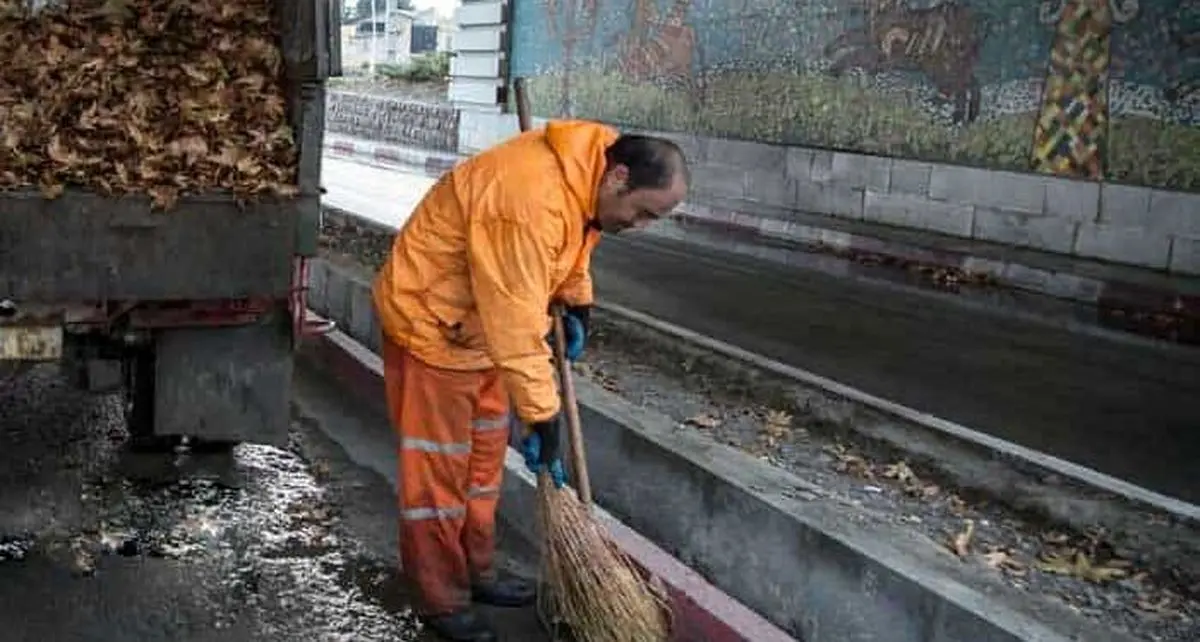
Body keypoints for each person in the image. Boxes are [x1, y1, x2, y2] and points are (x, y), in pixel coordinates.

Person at [371, 120, 688, 642]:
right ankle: (440, 598)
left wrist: (577, 300)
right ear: (620, 178)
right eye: (645, 212)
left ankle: (477, 571)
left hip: (481, 335)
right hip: (433, 326)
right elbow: (516, 315)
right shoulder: (526, 199)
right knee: (437, 481)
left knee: (480, 469)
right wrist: (543, 414)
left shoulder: (587, 178)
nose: (642, 224)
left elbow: (571, 243)